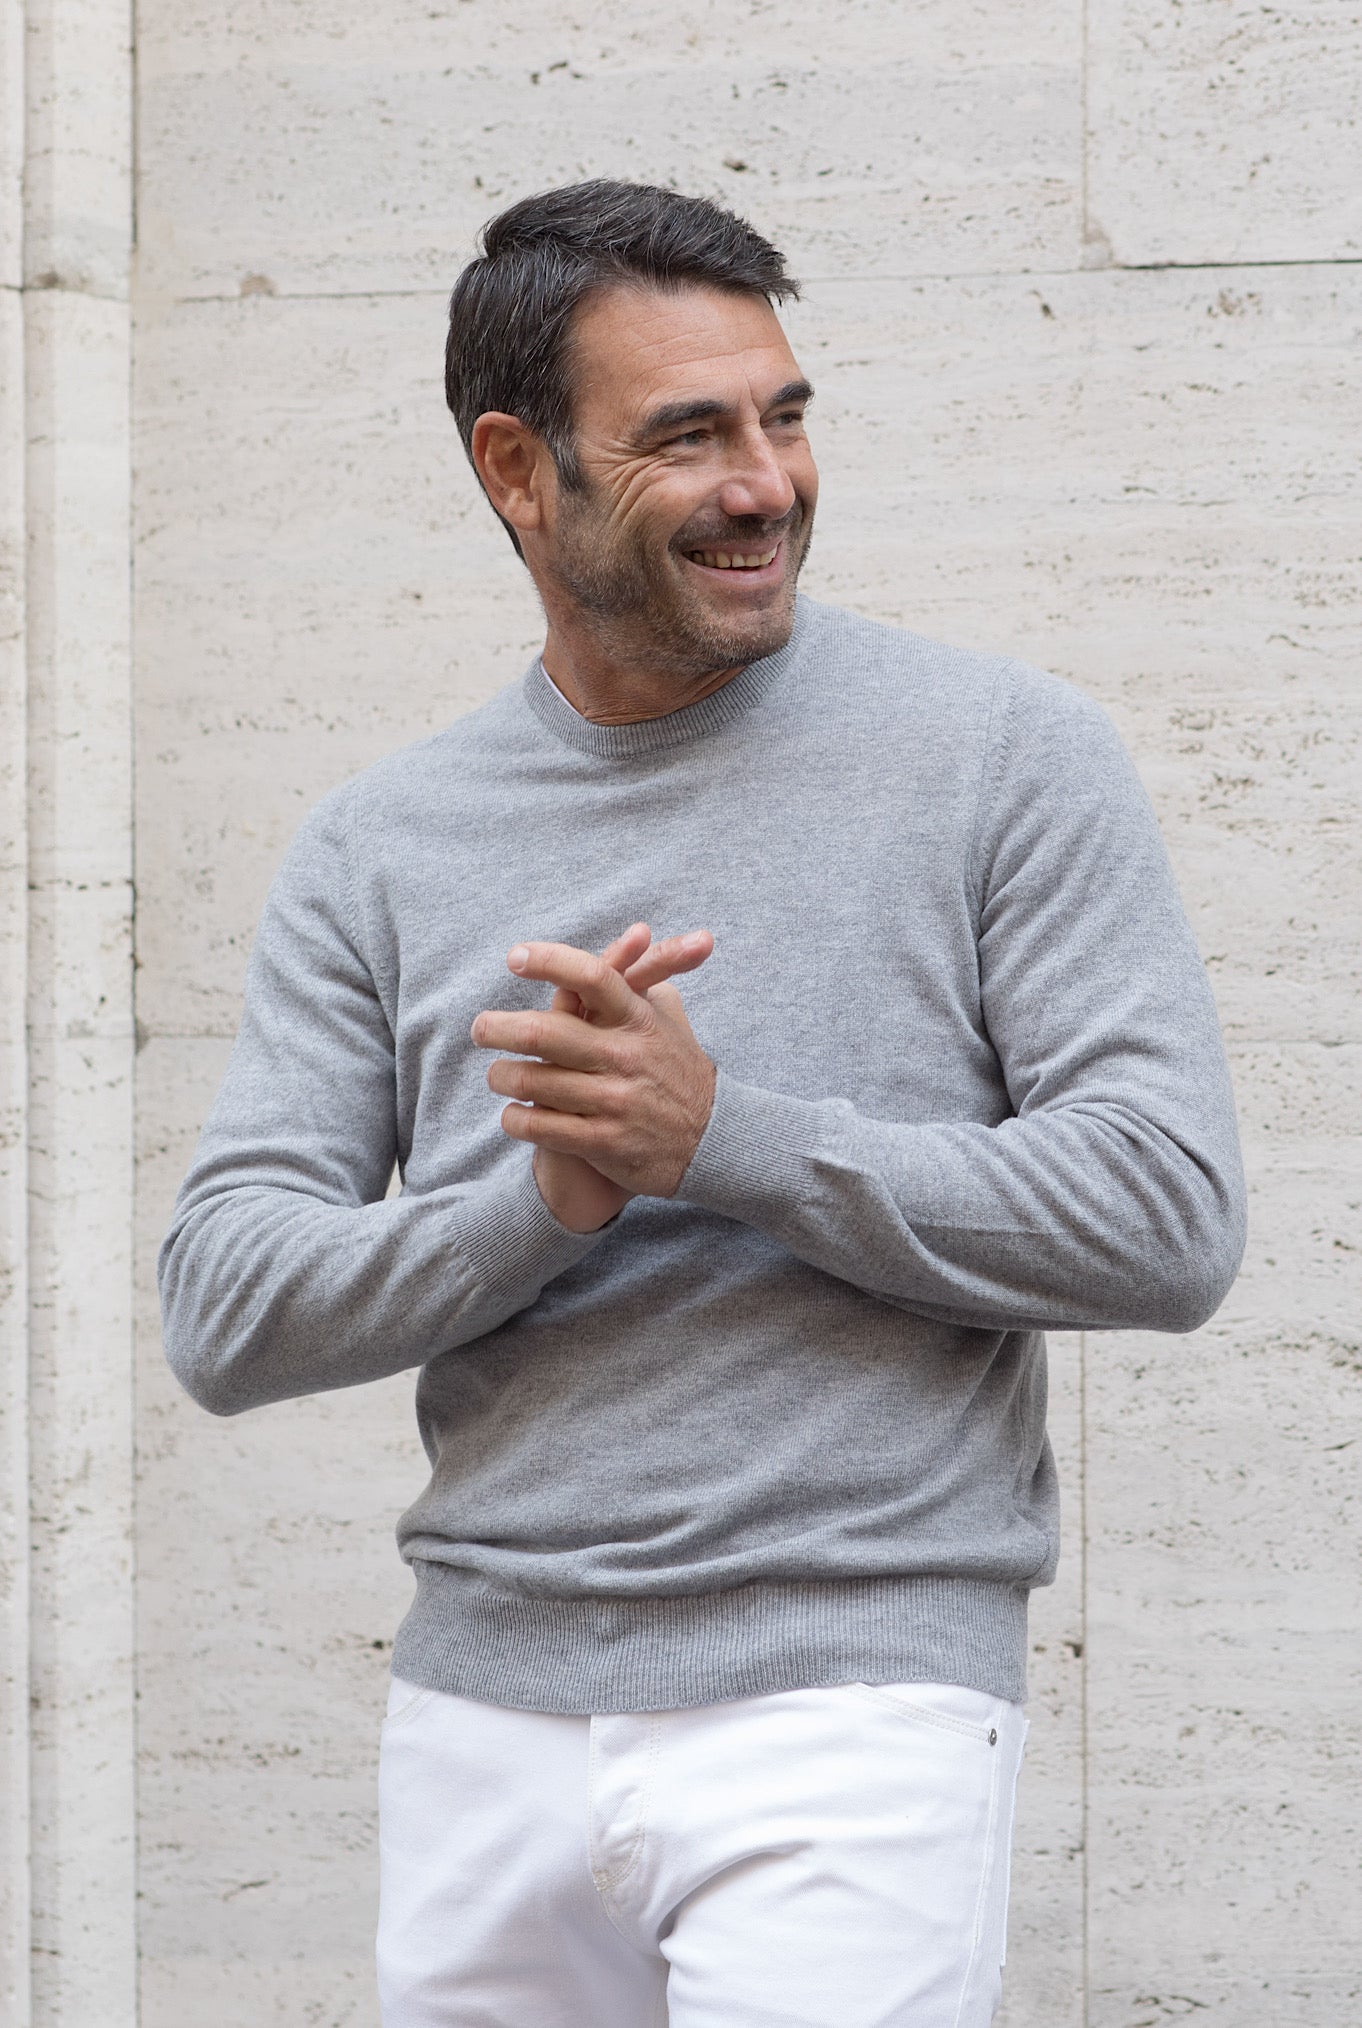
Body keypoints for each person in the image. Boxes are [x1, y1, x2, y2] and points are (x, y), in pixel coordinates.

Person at [158, 179, 1246, 2027]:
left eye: (783, 417)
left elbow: (1164, 1214)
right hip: (480, 1715)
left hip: (852, 1699)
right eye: (687, 436)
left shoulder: (1003, 757)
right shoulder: (378, 844)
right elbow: (225, 1308)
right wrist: (541, 1204)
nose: (764, 485)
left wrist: (720, 1140)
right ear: (518, 473)